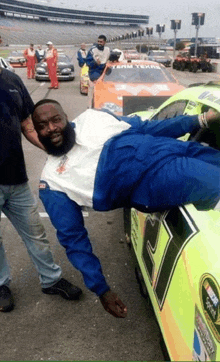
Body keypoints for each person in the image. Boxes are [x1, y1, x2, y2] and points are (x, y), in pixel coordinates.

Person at [32, 99, 220, 318]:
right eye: (42, 126)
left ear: (66, 117)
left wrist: (201, 119)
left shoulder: (92, 118)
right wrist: (101, 289)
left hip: (175, 148)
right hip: (156, 180)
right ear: (35, 132)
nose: (51, 128)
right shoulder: (52, 182)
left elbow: (147, 127)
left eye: (55, 120)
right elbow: (73, 239)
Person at [0, 68, 82, 313]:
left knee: (36, 232)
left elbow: (28, 124)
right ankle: (1, 285)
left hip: (15, 178)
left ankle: (51, 280)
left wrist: (55, 153)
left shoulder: (11, 79)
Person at [85, 35, 110, 106]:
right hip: (94, 73)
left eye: (101, 42)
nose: (99, 43)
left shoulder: (107, 50)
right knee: (93, 94)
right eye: (98, 41)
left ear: (105, 42)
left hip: (104, 74)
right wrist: (95, 62)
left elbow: (111, 59)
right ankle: (91, 107)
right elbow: (88, 63)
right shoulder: (92, 50)